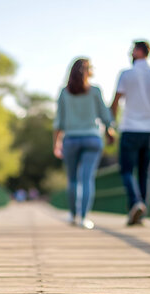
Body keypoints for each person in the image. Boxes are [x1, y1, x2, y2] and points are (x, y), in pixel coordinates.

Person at [110, 40, 150, 226]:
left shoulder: (126, 74)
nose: (130, 53)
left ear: (139, 51)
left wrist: (110, 126)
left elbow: (115, 103)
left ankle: (135, 203)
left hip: (129, 128)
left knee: (127, 170)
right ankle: (140, 213)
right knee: (146, 173)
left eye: (132, 50)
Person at [53, 58, 116, 229]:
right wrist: (110, 131)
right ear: (88, 71)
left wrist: (56, 144)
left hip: (71, 139)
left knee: (72, 180)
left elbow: (59, 122)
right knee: (87, 179)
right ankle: (83, 218)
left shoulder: (64, 92)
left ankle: (73, 215)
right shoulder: (95, 91)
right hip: (92, 139)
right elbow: (105, 116)